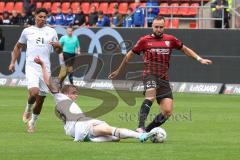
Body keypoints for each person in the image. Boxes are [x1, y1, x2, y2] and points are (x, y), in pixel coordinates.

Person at [109, 16, 212, 133]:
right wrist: (119, 70)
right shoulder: (144, 40)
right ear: (152, 27)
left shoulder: (170, 39)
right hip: (149, 74)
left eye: (161, 27)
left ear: (164, 27)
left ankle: (147, 131)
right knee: (151, 96)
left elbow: (185, 49)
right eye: (156, 27)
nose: (158, 29)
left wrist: (200, 59)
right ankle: (140, 127)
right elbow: (129, 55)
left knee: (167, 112)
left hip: (163, 78)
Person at [34, 56, 157, 142]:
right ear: (66, 94)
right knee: (110, 130)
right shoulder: (61, 98)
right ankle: (141, 136)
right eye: (74, 93)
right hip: (81, 126)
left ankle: (92, 140)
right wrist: (43, 65)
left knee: (115, 138)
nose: (76, 95)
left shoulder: (65, 102)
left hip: (83, 123)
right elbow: (48, 82)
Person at [8, 8, 62, 133]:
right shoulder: (27, 31)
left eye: (45, 17)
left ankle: (32, 122)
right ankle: (28, 108)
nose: (43, 19)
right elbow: (17, 46)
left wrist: (59, 47)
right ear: (35, 16)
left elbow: (58, 51)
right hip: (31, 66)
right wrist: (13, 62)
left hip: (45, 68)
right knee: (34, 93)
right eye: (41, 16)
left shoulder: (52, 31)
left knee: (41, 99)